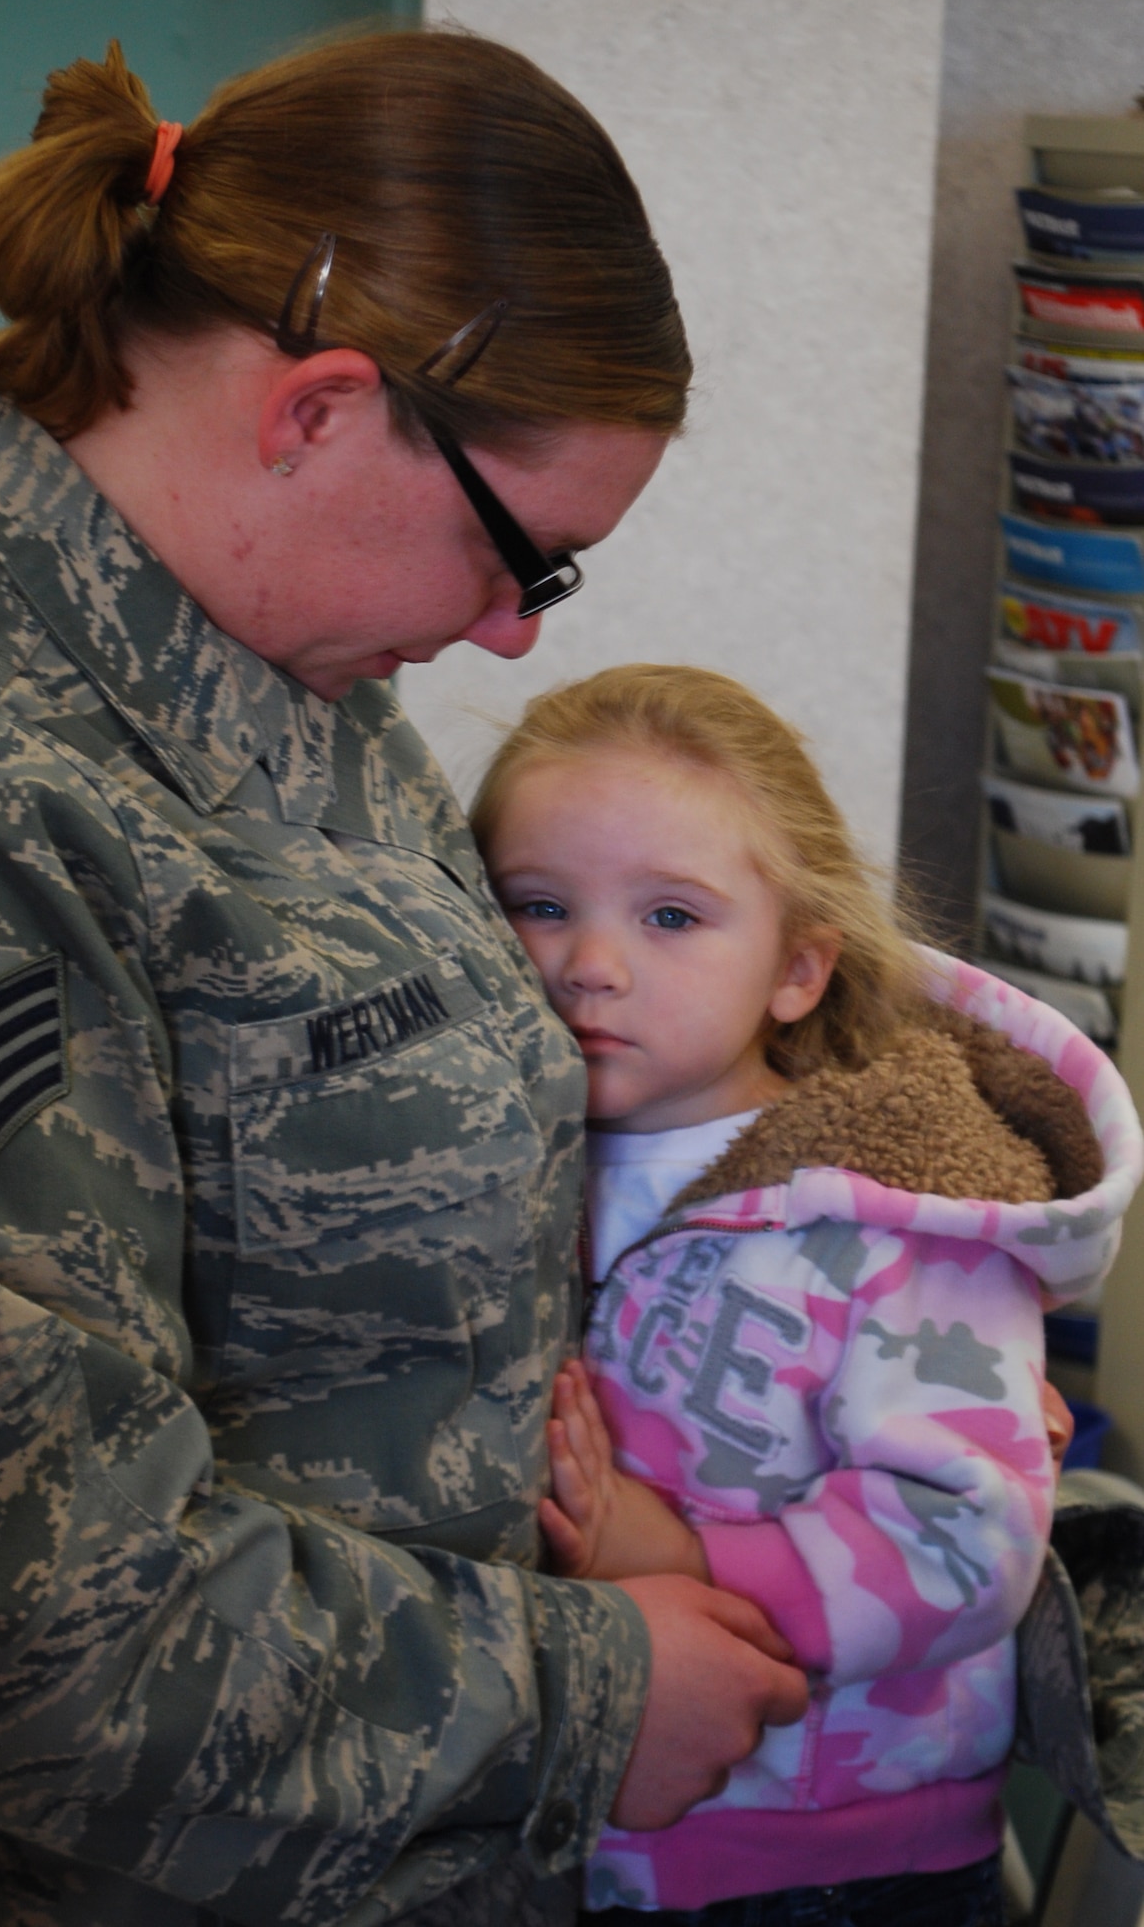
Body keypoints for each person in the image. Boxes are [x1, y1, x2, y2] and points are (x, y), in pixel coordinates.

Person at [0, 38, 811, 1927]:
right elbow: (5, 1637)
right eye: (534, 560)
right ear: (321, 412)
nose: (511, 630)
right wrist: (587, 1702)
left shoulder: (256, 646)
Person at [472, 663, 1144, 1927]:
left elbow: (965, 1538)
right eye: (539, 905)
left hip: (825, 1862)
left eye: (672, 915)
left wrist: (673, 1554)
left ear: (796, 967)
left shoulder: (899, 1218)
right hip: (551, 1820)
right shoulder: (490, 1163)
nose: (591, 963)